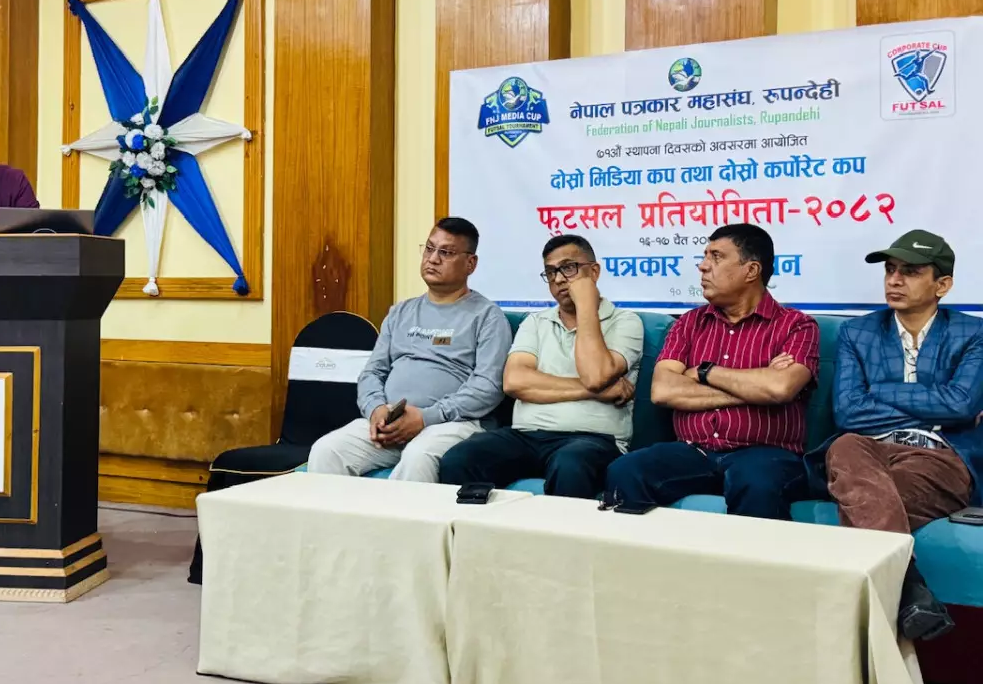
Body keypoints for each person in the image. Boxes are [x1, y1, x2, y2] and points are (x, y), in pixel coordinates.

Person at [809, 230, 983, 641]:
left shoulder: (973, 334)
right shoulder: (858, 333)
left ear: (942, 284)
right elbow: (849, 411)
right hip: (868, 452)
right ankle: (908, 587)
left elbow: (960, 404)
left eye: (911, 271)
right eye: (890, 270)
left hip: (938, 456)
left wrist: (880, 390)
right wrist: (934, 399)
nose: (894, 280)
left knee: (862, 496)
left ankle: (901, 590)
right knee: (845, 444)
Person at [604, 223, 818, 519]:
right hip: (694, 451)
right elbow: (663, 391)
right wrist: (756, 388)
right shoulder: (689, 323)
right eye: (705, 256)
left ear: (751, 270)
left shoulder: (797, 326)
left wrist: (703, 372)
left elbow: (780, 388)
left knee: (756, 483)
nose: (703, 266)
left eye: (716, 257)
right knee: (626, 470)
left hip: (765, 453)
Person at [306, 217, 511, 482]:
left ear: (470, 263)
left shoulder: (488, 316)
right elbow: (372, 373)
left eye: (446, 252)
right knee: (327, 450)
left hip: (453, 424)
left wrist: (426, 417)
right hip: (390, 422)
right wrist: (376, 409)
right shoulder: (400, 312)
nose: (433, 259)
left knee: (418, 456)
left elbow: (488, 386)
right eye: (429, 248)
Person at [439, 234, 643, 497]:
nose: (558, 279)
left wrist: (585, 305)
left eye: (568, 268)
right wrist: (596, 392)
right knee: (460, 459)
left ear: (594, 272)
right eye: (550, 272)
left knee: (570, 465)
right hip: (526, 435)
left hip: (592, 439)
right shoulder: (536, 322)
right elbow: (514, 381)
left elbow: (595, 375)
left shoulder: (625, 322)